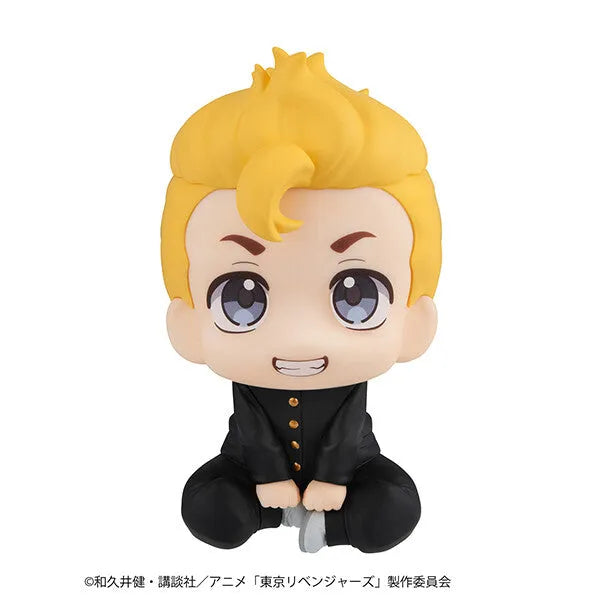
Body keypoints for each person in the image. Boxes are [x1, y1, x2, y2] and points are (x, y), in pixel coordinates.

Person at [161, 48, 441, 553]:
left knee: (395, 508)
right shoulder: (250, 379)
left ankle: (327, 529)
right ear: (187, 322)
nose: (298, 338)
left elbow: (348, 426)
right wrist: (268, 476)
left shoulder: (348, 381)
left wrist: (334, 479)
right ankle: (267, 514)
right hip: (250, 470)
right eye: (240, 298)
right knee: (208, 508)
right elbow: (250, 423)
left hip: (351, 470)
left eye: (357, 295)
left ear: (413, 320)